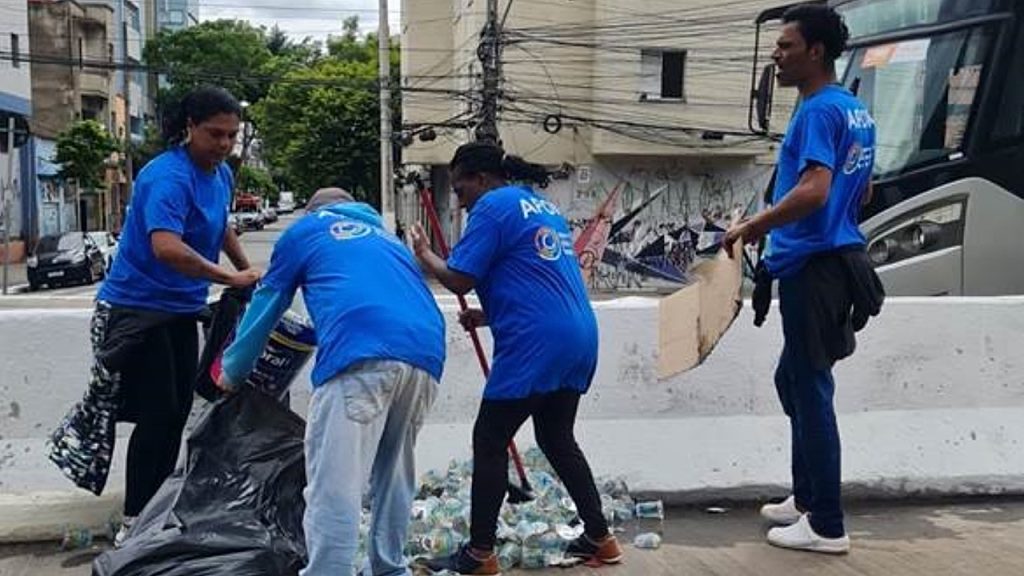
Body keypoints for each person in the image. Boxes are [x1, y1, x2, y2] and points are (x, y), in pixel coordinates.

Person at [48, 86, 260, 547]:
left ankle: (157, 510)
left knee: (178, 410)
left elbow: (219, 225)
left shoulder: (220, 173)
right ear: (188, 127)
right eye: (214, 134)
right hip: (136, 311)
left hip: (181, 311)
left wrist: (246, 270)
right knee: (158, 414)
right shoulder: (166, 176)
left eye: (231, 135)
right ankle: (136, 519)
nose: (224, 144)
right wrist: (228, 278)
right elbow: (167, 247)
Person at [413, 142, 622, 575]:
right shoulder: (538, 205)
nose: (459, 198)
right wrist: (487, 317)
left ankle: (479, 554)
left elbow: (459, 279)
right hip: (578, 335)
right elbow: (535, 283)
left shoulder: (492, 207)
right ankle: (602, 539)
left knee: (489, 441)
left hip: (536, 344)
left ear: (483, 179)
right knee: (558, 438)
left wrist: (424, 254)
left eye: (461, 187)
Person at [218, 187, 446, 576]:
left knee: (333, 485)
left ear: (311, 212)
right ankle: (390, 568)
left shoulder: (305, 232)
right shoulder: (385, 239)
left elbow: (267, 303)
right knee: (394, 474)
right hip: (426, 354)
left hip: (362, 356)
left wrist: (232, 371)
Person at [723, 4, 880, 555]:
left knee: (811, 391)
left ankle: (827, 524)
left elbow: (815, 189)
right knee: (792, 382)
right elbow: (859, 190)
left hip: (814, 268)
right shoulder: (854, 110)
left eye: (786, 46)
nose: (776, 54)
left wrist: (750, 227)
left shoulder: (816, 111)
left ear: (815, 52)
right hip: (832, 260)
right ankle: (807, 497)